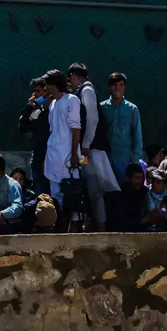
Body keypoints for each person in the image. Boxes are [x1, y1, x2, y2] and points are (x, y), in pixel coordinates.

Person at [68, 63, 121, 229]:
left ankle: (103, 225)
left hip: (93, 149)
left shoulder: (87, 91)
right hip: (90, 148)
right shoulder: (82, 91)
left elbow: (92, 118)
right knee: (93, 190)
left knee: (97, 190)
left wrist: (85, 144)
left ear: (73, 76)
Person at [41, 69, 84, 223]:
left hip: (67, 158)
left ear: (54, 84)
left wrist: (74, 154)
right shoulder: (52, 104)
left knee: (72, 195)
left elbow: (75, 129)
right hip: (53, 157)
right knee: (56, 197)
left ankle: (74, 228)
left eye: (47, 83)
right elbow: (53, 132)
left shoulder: (71, 100)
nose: (45, 86)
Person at [99, 73, 146, 181]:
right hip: (106, 157)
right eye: (114, 85)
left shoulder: (132, 109)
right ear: (109, 87)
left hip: (125, 159)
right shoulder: (102, 107)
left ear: (124, 87)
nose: (117, 88)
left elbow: (137, 136)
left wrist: (135, 161)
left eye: (121, 85)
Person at [107, 160, 167, 232]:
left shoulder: (145, 192)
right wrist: (143, 220)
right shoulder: (118, 197)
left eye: (141, 178)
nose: (140, 181)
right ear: (127, 178)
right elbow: (118, 223)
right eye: (136, 178)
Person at [17, 76, 53, 191]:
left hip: (50, 159)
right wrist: (29, 107)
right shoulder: (37, 112)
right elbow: (22, 127)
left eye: (38, 91)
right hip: (37, 159)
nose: (35, 94)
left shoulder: (55, 111)